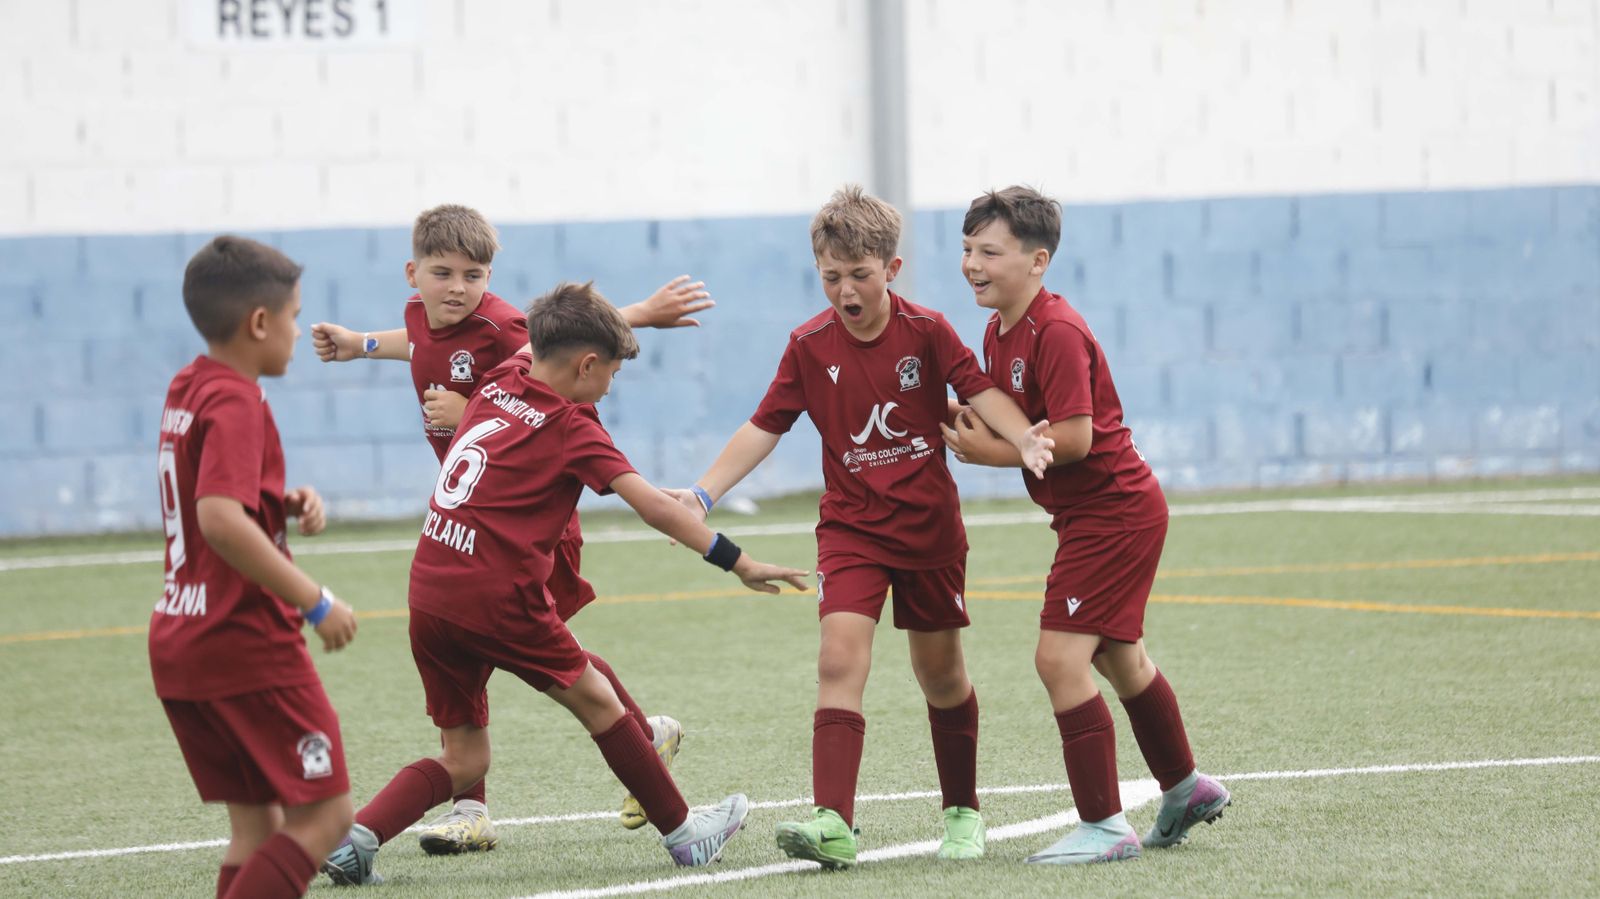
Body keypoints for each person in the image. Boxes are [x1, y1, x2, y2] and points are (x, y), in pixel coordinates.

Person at [321, 281, 809, 885]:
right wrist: (740, 562)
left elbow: (539, 340)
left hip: (430, 588)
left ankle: (357, 839)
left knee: (464, 757)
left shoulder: (502, 375)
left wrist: (634, 317)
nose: (609, 385)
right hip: (497, 598)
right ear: (586, 365)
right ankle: (685, 833)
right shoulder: (572, 424)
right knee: (600, 701)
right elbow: (655, 508)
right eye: (609, 372)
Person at [672, 185, 1054, 869]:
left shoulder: (928, 331)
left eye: (860, 275)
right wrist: (702, 494)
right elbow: (765, 426)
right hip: (851, 529)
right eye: (831, 276)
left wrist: (1025, 438)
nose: (845, 291)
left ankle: (963, 810)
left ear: (892, 269)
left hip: (929, 531)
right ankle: (834, 821)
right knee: (838, 658)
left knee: (940, 676)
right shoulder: (809, 346)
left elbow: (980, 391)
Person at [309, 204, 710, 847]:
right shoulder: (426, 316)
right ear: (415, 275)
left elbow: (556, 350)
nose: (458, 288)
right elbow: (421, 342)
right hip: (477, 522)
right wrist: (361, 345)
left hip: (527, 523)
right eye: (443, 274)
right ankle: (488, 802)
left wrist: (639, 312)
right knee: (494, 650)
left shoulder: (499, 325)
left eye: (474, 275)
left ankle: (632, 741)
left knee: (519, 645)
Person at [943, 185, 1231, 865]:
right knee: (1116, 655)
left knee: (1058, 658)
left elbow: (1070, 437)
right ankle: (1186, 786)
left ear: (1038, 260)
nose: (972, 264)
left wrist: (993, 449)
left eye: (989, 251)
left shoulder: (1058, 329)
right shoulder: (998, 330)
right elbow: (1007, 423)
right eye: (965, 249)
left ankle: (1103, 824)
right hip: (1092, 515)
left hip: (1114, 513)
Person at [151, 235, 360, 898]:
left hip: (184, 639)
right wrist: (314, 599)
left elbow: (209, 492)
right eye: (295, 316)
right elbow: (218, 518)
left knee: (259, 829)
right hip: (243, 642)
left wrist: (274, 502)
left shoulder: (192, 384)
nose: (300, 331)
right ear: (260, 323)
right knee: (327, 815)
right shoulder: (238, 400)